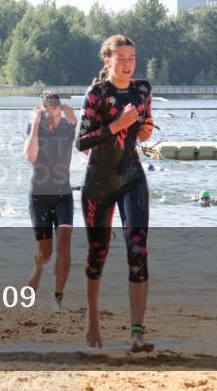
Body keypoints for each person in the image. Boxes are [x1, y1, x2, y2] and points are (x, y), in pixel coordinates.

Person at [75, 34, 155, 353]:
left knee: (138, 250)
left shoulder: (142, 89)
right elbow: (81, 143)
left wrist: (145, 127)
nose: (127, 65)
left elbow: (145, 125)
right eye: (120, 59)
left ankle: (136, 333)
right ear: (107, 61)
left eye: (132, 58)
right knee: (99, 253)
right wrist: (117, 124)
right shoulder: (96, 93)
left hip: (132, 176)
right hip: (99, 182)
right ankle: (92, 320)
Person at [23, 91, 78, 312]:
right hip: (39, 197)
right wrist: (36, 123)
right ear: (42, 112)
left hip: (63, 195)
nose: (53, 120)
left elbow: (82, 131)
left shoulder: (68, 126)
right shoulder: (34, 127)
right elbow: (30, 156)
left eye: (56, 114)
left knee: (64, 244)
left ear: (60, 111)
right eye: (48, 115)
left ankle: (57, 298)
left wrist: (72, 116)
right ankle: (37, 269)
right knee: (45, 254)